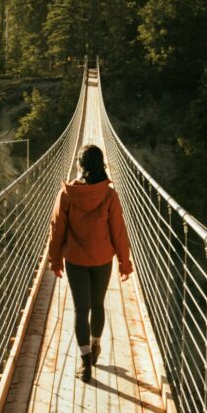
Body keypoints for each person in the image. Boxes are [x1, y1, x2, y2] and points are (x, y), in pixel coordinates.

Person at [44, 143, 133, 383]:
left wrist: (55, 259)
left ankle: (85, 364)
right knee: (98, 305)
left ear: (80, 166)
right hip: (103, 259)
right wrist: (124, 262)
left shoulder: (67, 194)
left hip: (76, 260)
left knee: (80, 310)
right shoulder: (109, 195)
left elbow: (57, 228)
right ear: (101, 164)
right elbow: (119, 231)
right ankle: (95, 347)